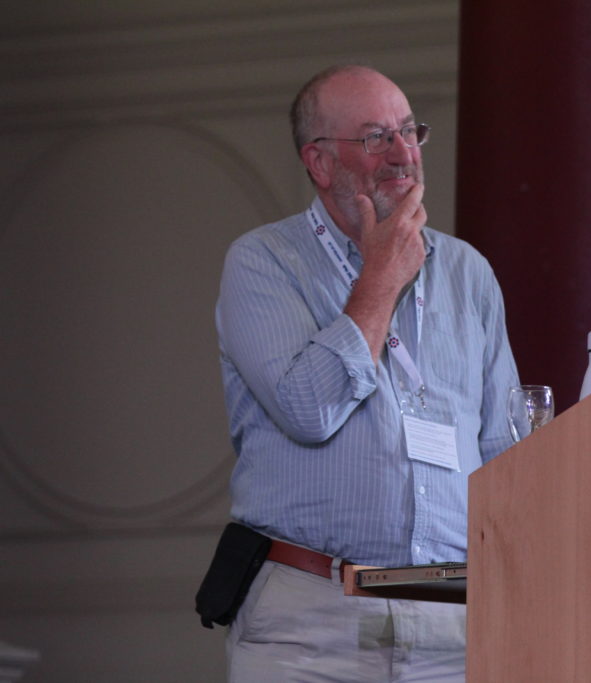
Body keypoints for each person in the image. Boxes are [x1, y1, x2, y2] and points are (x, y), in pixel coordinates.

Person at [212, 65, 520, 682]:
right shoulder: (265, 261)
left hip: (452, 625)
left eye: (409, 131)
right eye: (377, 137)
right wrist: (380, 276)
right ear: (320, 163)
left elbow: (504, 456)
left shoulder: (468, 272)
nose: (404, 153)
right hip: (313, 624)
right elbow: (308, 409)